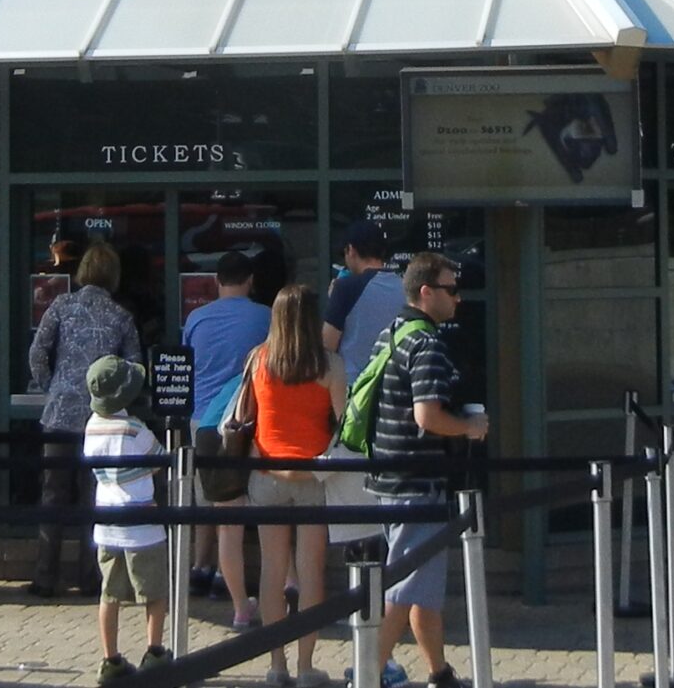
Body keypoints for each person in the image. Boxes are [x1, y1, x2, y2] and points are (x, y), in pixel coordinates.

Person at [368, 252, 487, 688]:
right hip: (416, 481)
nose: (458, 298)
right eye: (451, 289)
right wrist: (470, 428)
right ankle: (365, 675)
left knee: (421, 584)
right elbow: (427, 417)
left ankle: (438, 672)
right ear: (426, 291)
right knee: (401, 588)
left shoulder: (393, 332)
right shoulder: (427, 343)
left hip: (391, 477)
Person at [242, 284, 347, 688]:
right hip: (312, 475)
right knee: (310, 572)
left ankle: (276, 664)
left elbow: (248, 418)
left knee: (271, 570)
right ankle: (306, 667)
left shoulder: (258, 360)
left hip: (267, 474)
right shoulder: (330, 365)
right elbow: (344, 426)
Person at [27, 243, 142, 598]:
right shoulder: (121, 316)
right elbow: (135, 368)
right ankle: (91, 577)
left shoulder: (61, 306)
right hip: (102, 418)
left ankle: (46, 576)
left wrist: (53, 387)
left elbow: (37, 352)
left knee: (52, 496)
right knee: (94, 498)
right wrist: (119, 402)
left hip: (60, 415)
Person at [181, 248, 272, 623]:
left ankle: (201, 567)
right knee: (239, 504)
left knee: (207, 500)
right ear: (250, 281)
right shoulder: (266, 316)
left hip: (202, 416)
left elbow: (185, 361)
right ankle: (224, 576)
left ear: (217, 281)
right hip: (246, 417)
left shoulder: (196, 318)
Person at [80, 355, 169, 688]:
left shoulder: (91, 426)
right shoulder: (134, 428)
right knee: (154, 592)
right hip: (141, 520)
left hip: (106, 519)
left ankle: (110, 657)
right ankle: (155, 651)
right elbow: (158, 460)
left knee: (109, 594)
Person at [322, 224, 404, 374]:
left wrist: (333, 300)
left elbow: (327, 346)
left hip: (355, 387)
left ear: (351, 250)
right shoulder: (404, 286)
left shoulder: (345, 287)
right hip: (394, 383)